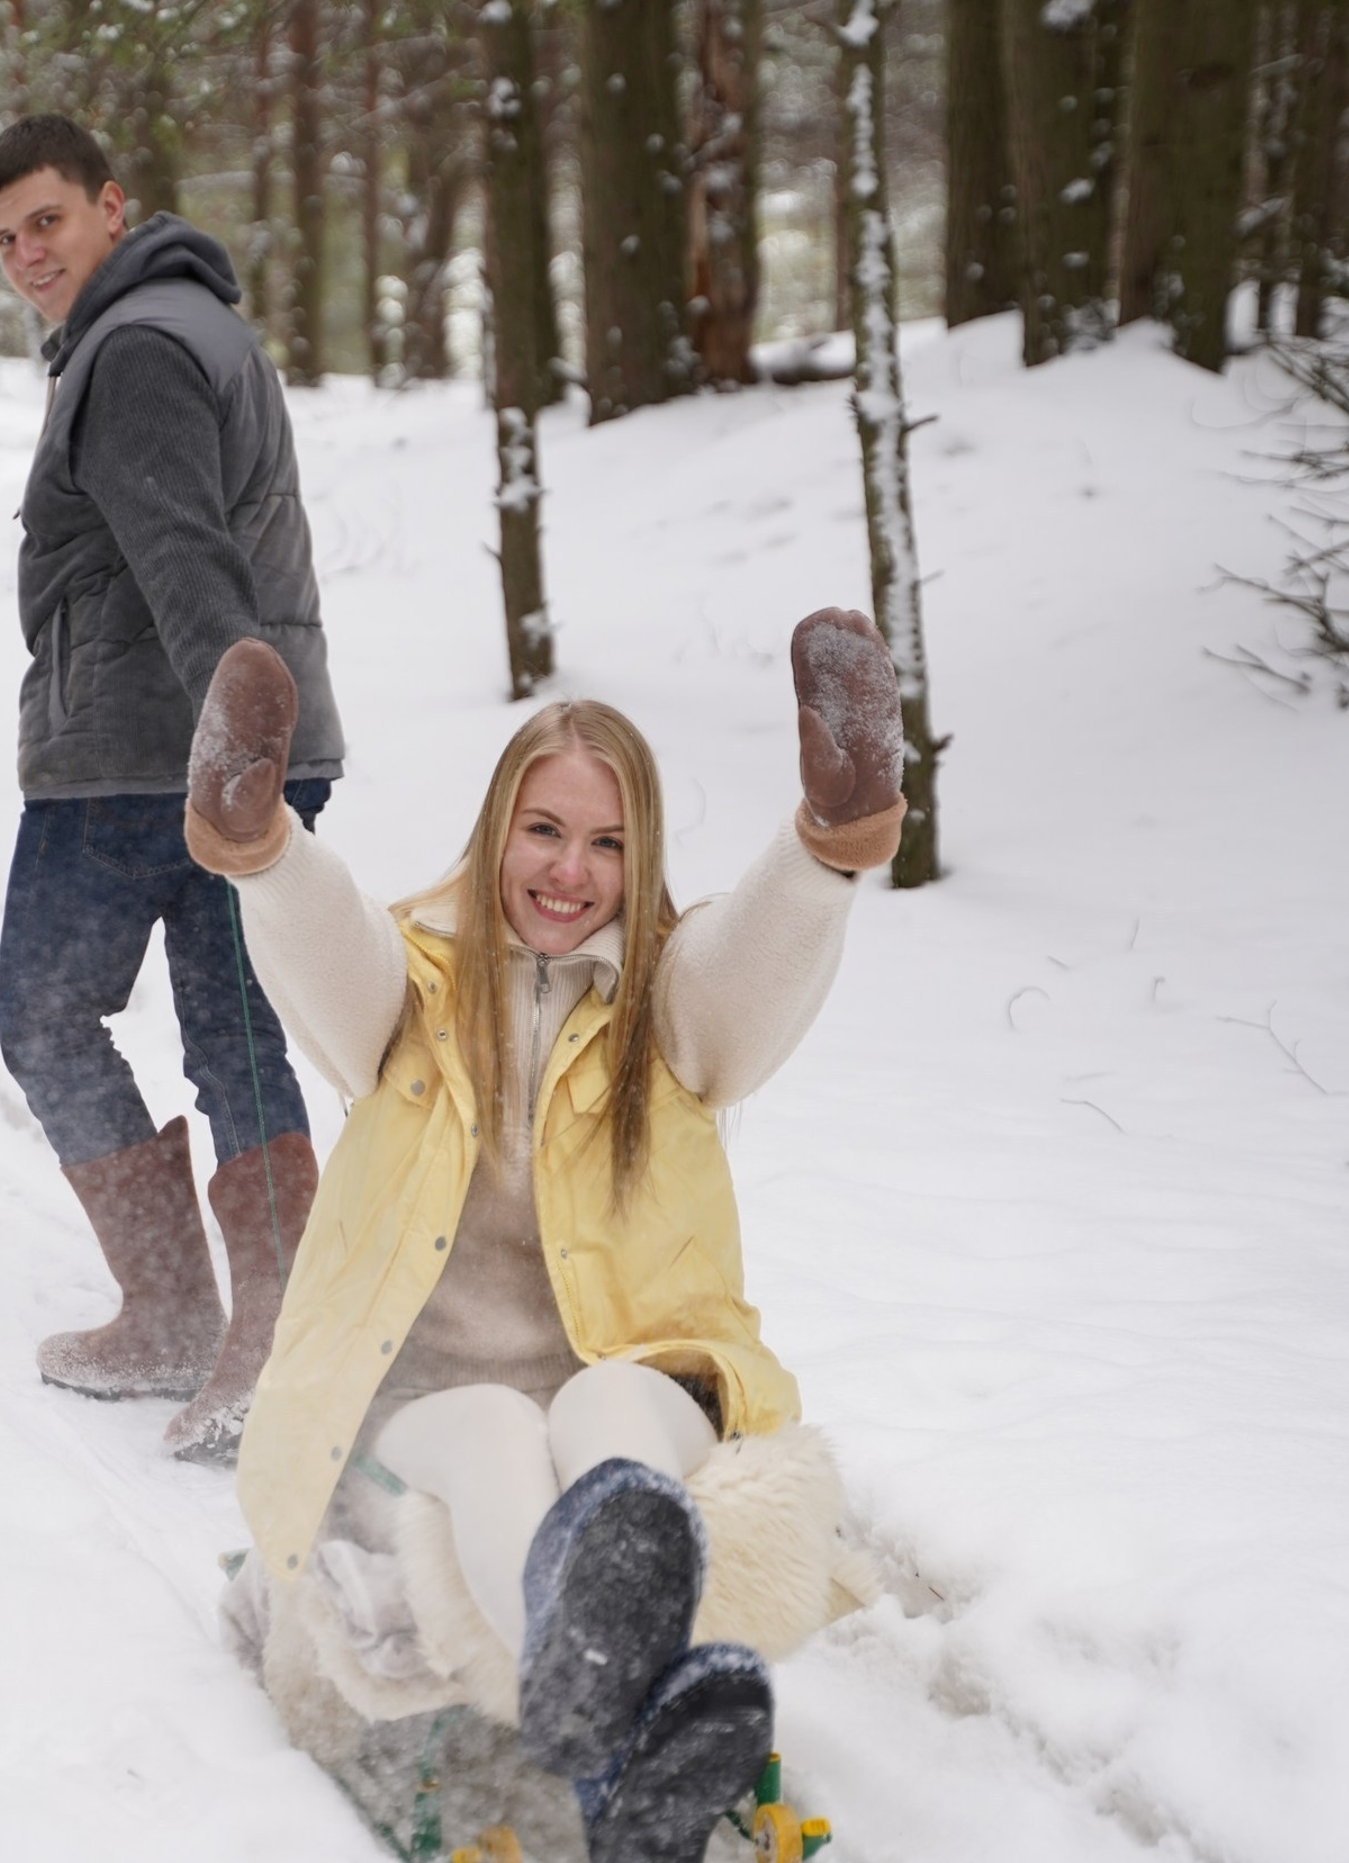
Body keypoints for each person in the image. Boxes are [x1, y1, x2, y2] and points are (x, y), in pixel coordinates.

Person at [182, 611, 906, 1863]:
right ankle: (637, 1746)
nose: (572, 869)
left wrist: (827, 845)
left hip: (640, 1378)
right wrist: (262, 849)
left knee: (607, 1415)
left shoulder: (670, 1015)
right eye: (547, 830)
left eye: (610, 844)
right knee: (505, 1427)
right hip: (432, 1393)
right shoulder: (412, 998)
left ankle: (615, 1727)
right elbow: (331, 944)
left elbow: (749, 966)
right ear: (498, 832)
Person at [0, 114, 346, 1460]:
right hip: (212, 748)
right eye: (5, 237)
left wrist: (236, 762)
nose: (26, 255)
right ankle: (245, 1335)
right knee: (234, 1034)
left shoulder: (133, 351)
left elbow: (192, 570)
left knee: (42, 1012)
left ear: (112, 207)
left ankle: (192, 1316)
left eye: (48, 223)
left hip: (149, 758)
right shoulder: (180, 328)